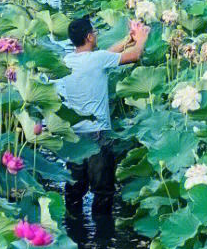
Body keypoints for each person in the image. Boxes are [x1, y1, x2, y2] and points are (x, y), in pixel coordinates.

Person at [56, 16, 150, 214]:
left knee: (74, 190)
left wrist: (127, 40)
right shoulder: (97, 60)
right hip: (97, 135)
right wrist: (141, 38)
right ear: (89, 37)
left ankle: (76, 233)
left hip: (74, 137)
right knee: (103, 192)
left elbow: (104, 56)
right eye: (95, 33)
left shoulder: (67, 61)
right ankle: (102, 237)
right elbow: (134, 56)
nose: (97, 35)